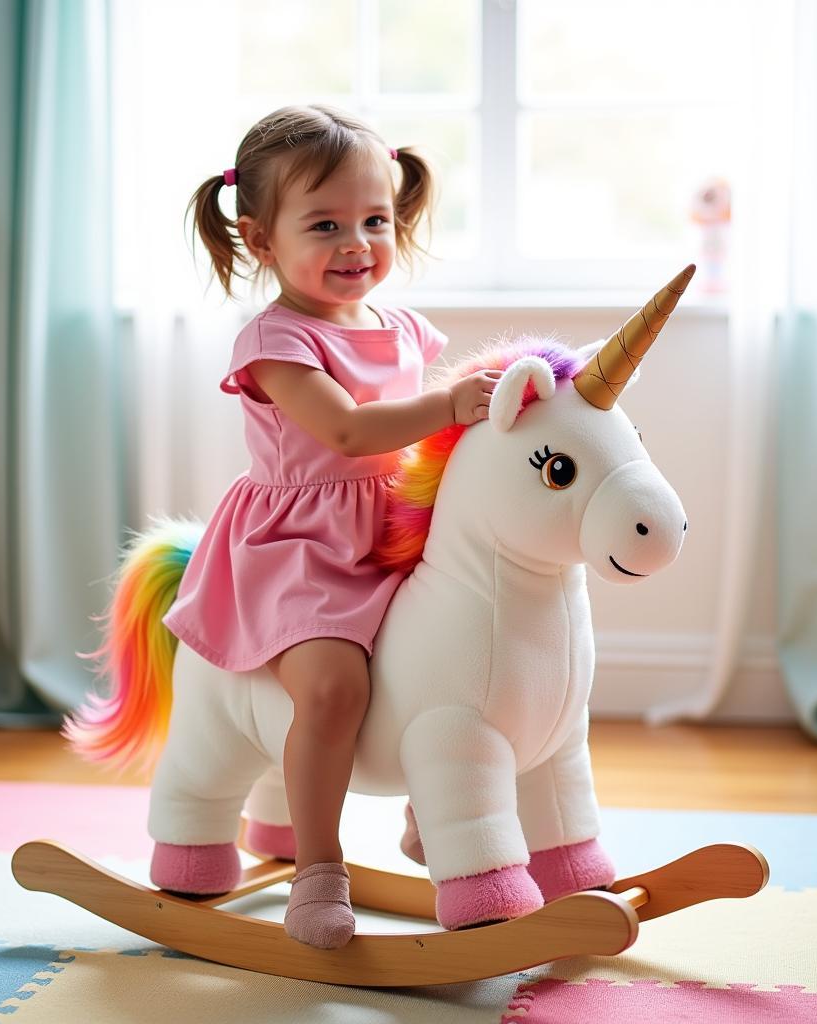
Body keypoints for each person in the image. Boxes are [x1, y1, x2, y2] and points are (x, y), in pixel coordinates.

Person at [163, 104, 500, 949]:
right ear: (262, 240)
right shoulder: (274, 343)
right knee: (334, 688)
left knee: (465, 655)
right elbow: (348, 432)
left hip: (393, 532)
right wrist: (449, 403)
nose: (358, 244)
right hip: (300, 550)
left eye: (374, 221)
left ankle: (439, 809)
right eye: (326, 225)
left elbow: (442, 433)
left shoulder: (406, 330)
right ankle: (319, 866)